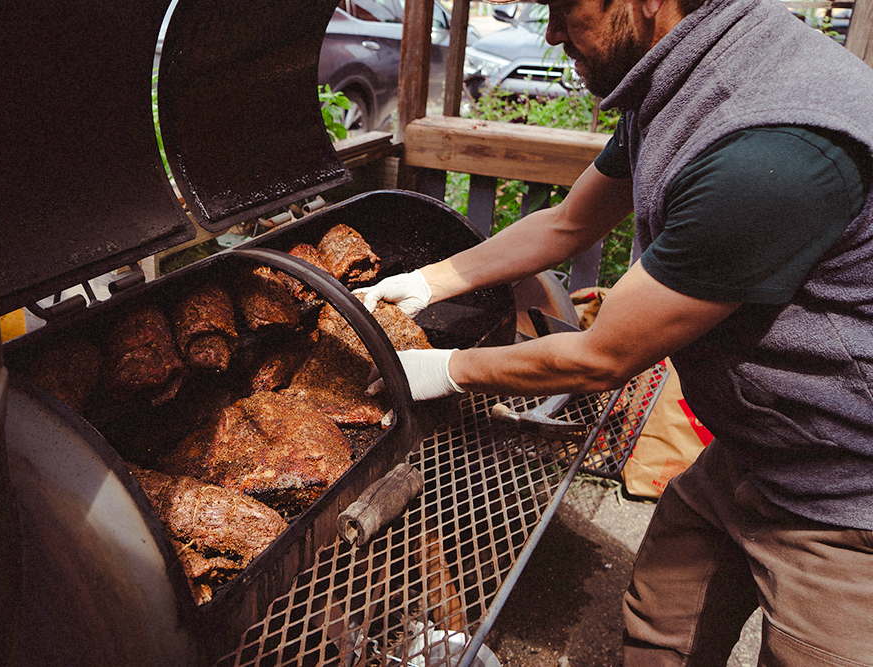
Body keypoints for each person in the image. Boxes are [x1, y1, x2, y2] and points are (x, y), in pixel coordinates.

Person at [362, 0, 873, 663]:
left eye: (565, 7)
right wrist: (432, 280)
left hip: (848, 485)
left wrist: (444, 369)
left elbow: (602, 355)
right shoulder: (680, 73)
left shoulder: (770, 149)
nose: (548, 31)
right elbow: (568, 225)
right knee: (663, 611)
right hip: (759, 440)